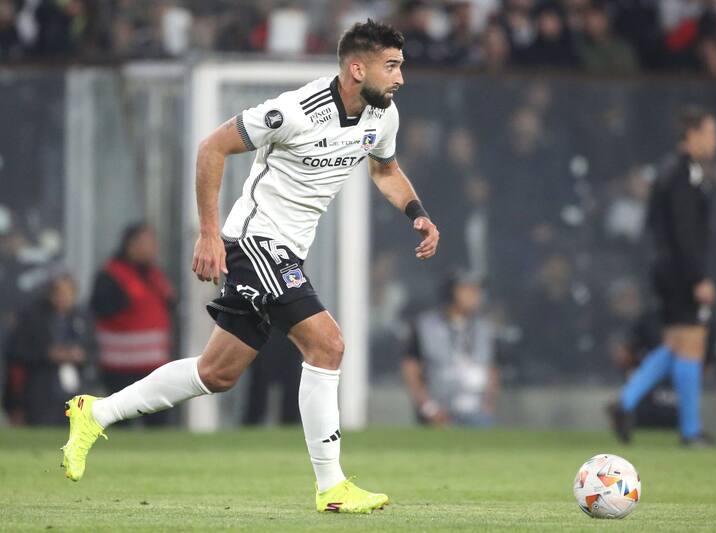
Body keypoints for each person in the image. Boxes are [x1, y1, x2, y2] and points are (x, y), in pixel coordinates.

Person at [60, 19, 440, 514]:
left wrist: (418, 214)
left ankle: (95, 412)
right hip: (256, 243)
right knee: (328, 344)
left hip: (287, 252)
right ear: (356, 67)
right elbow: (212, 147)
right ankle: (332, 486)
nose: (400, 79)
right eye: (391, 67)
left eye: (400, 67)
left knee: (216, 373)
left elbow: (385, 170)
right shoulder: (295, 111)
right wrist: (209, 233)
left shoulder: (381, 117)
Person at [609, 106, 716, 447]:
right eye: (712, 132)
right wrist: (697, 276)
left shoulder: (669, 170)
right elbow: (683, 231)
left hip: (667, 269)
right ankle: (690, 431)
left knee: (675, 345)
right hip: (680, 271)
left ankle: (625, 403)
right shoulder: (685, 174)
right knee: (692, 344)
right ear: (693, 133)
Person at [90, 223, 175, 427]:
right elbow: (100, 308)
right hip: (120, 366)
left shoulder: (155, 275)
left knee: (158, 425)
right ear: (130, 245)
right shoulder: (111, 275)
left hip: (155, 367)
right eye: (146, 243)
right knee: (121, 423)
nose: (152, 248)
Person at [402, 272, 499, 427]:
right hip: (440, 412)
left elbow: (491, 367)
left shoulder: (484, 328)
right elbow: (411, 369)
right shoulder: (426, 325)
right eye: (467, 289)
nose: (475, 295)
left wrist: (488, 405)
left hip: (477, 412)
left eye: (477, 289)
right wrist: (428, 408)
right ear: (451, 292)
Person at [4, 272, 93, 425]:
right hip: (42, 389)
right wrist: (47, 354)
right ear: (50, 294)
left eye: (68, 293)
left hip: (76, 388)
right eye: (59, 293)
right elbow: (16, 351)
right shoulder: (33, 317)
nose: (63, 298)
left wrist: (80, 355)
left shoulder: (82, 318)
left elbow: (94, 350)